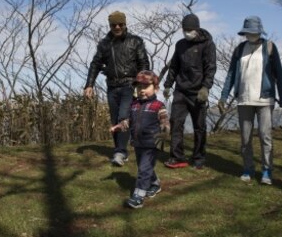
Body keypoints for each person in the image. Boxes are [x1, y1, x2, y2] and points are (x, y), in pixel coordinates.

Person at [218, 16, 282, 185]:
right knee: (245, 138)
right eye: (247, 32)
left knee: (265, 135)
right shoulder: (240, 49)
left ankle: (266, 170)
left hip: (264, 99)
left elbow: (279, 72)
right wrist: (223, 96)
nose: (250, 35)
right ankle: (248, 168)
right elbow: (231, 74)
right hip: (244, 99)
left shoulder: (269, 47)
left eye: (253, 32)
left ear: (259, 31)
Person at [84, 11, 150, 166]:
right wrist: (89, 85)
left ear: (125, 24)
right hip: (112, 86)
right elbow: (95, 64)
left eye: (120, 24)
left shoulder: (135, 41)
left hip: (129, 85)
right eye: (114, 25)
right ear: (110, 26)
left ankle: (120, 152)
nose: (117, 27)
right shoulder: (105, 44)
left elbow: (144, 64)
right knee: (115, 120)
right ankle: (120, 151)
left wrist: (142, 84)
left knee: (123, 118)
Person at [163, 13, 217, 169]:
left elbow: (210, 68)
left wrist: (206, 87)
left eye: (190, 29)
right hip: (180, 90)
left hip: (198, 92)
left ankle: (199, 158)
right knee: (176, 123)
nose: (187, 32)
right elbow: (174, 67)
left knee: (199, 126)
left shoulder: (207, 44)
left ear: (197, 29)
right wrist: (168, 85)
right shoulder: (180, 45)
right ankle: (177, 157)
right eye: (184, 29)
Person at [110, 70, 170, 209]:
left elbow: (165, 123)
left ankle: (138, 196)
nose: (142, 90)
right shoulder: (134, 105)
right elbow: (129, 121)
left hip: (151, 144)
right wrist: (119, 126)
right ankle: (154, 183)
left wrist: (164, 134)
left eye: (146, 87)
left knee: (143, 170)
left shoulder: (158, 106)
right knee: (145, 167)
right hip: (137, 143)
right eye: (139, 87)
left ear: (155, 88)